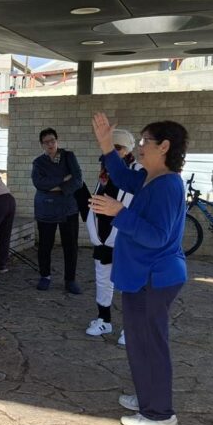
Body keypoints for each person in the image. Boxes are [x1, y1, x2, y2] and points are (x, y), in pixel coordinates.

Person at [90, 113, 189, 425]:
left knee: (149, 345)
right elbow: (121, 177)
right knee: (138, 342)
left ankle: (159, 415)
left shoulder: (167, 185)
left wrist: (119, 212)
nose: (140, 146)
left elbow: (157, 236)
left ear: (164, 147)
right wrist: (107, 145)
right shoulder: (150, 178)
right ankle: (149, 396)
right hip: (143, 276)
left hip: (153, 277)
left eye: (146, 140)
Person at [85, 130, 140, 345]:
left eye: (118, 148)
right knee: (103, 278)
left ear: (128, 150)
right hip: (103, 235)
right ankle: (104, 319)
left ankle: (131, 328)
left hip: (126, 237)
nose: (114, 152)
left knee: (129, 284)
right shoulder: (104, 172)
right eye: (111, 147)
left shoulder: (138, 173)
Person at [32, 127, 84, 293]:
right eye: (46, 142)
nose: (50, 144)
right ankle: (45, 276)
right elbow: (39, 183)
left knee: (71, 246)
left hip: (68, 208)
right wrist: (63, 179)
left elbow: (78, 180)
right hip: (46, 209)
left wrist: (56, 188)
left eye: (52, 141)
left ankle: (70, 280)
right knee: (45, 245)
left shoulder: (68, 156)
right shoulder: (38, 162)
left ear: (57, 141)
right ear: (41, 144)